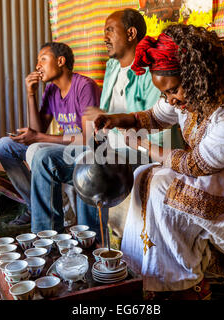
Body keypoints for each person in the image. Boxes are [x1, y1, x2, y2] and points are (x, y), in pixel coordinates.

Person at [93, 24, 224, 299]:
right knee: (145, 174)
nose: (171, 100)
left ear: (198, 76)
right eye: (165, 94)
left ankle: (184, 286)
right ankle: (148, 277)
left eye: (173, 91)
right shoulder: (189, 90)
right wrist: (118, 119)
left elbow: (197, 166)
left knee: (161, 186)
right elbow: (156, 116)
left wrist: (143, 144)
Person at [29, 9, 181, 242]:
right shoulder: (112, 68)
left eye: (110, 30)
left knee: (91, 163)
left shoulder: (151, 72)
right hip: (109, 146)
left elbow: (159, 129)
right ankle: (46, 240)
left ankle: (93, 243)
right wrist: (97, 125)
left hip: (140, 150)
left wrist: (110, 118)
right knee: (44, 158)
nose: (105, 38)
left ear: (131, 33)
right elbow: (101, 125)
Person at [0, 42, 101, 225]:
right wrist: (30, 94)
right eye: (38, 61)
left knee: (37, 149)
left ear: (60, 61)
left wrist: (37, 137)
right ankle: (34, 206)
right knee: (4, 146)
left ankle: (58, 216)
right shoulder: (51, 89)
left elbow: (89, 138)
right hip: (62, 145)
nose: (37, 66)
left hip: (83, 148)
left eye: (43, 59)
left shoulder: (84, 87)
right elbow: (39, 129)